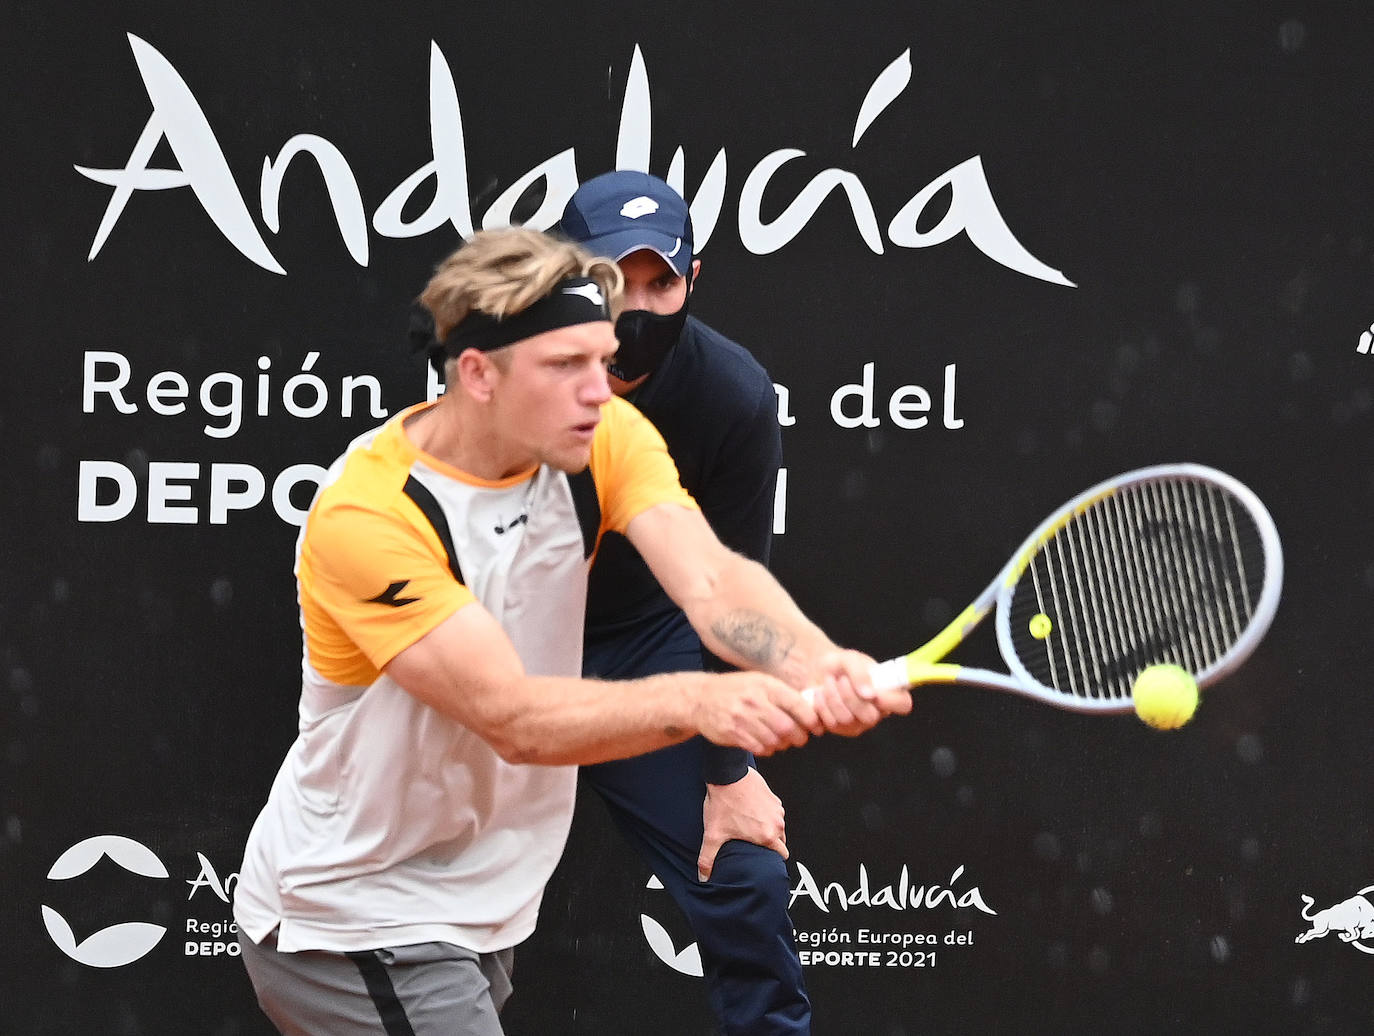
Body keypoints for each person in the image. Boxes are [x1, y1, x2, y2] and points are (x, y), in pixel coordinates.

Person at [232, 226, 911, 1036]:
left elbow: (713, 579)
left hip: (479, 903)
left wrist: (816, 660)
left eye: (602, 355)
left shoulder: (602, 435)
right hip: (358, 913)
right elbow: (513, 718)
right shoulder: (370, 517)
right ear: (479, 373)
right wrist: (700, 701)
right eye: (567, 365)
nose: (603, 386)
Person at [559, 171, 809, 1034]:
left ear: (692, 280)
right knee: (424, 903)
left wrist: (728, 774)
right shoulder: (500, 378)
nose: (636, 307)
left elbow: (730, 597)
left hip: (644, 647)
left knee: (744, 870)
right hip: (502, 648)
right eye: (610, 280)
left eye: (659, 282)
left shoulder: (733, 397)